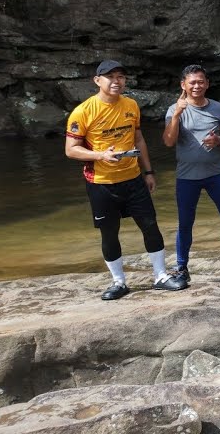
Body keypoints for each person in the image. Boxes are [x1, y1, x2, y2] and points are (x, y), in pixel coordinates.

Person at [66, 60, 186, 300]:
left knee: (150, 225)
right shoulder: (83, 111)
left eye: (120, 76)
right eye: (110, 77)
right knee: (109, 233)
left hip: (133, 179)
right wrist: (100, 155)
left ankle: (160, 276)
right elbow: (71, 149)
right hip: (101, 182)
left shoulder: (131, 105)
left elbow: (138, 139)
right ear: (97, 80)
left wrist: (149, 172)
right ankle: (118, 282)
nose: (116, 81)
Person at [161, 64, 220, 284]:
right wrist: (177, 115)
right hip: (186, 177)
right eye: (192, 82)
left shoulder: (219, 109)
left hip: (216, 174)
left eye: (201, 82)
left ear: (207, 84)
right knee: (185, 223)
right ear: (183, 85)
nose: (196, 86)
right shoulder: (174, 109)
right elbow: (168, 142)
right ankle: (181, 266)